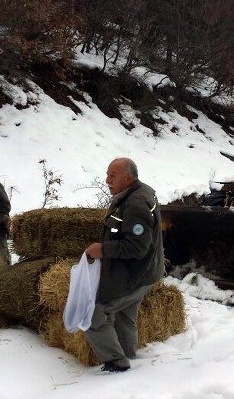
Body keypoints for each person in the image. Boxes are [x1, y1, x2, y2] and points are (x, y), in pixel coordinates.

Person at [84, 157, 165, 373]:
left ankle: (117, 363)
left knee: (93, 315)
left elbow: (137, 247)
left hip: (137, 275)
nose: (107, 180)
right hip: (146, 270)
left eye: (113, 175)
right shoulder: (137, 192)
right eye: (107, 174)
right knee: (125, 314)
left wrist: (103, 249)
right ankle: (130, 354)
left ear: (128, 179)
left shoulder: (136, 204)